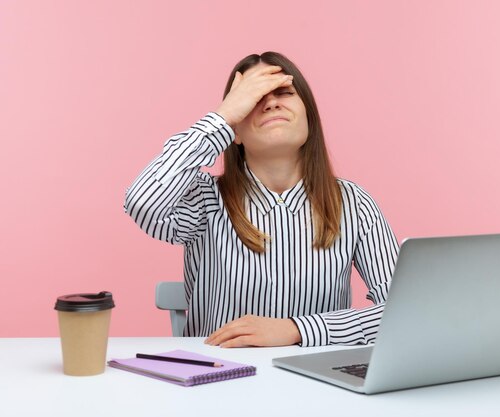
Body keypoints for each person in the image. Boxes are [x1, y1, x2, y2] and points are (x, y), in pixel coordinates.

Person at [124, 51, 399, 348]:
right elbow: (143, 200)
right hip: (221, 380)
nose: (271, 102)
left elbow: (403, 311)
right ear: (235, 133)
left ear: (309, 117)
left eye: (284, 92)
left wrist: (298, 330)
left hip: (318, 385)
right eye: (254, 99)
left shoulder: (354, 204)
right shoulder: (204, 199)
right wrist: (224, 117)